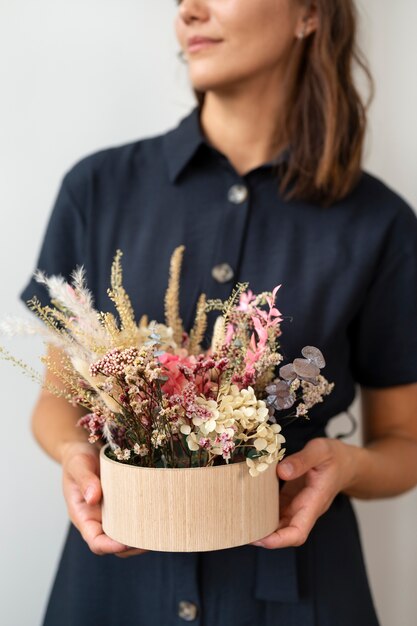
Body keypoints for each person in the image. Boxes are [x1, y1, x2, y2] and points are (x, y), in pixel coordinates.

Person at [19, 1, 417, 625]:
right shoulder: (97, 188)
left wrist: (349, 466)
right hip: (118, 590)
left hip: (296, 594)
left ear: (309, 14)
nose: (189, 10)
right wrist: (78, 457)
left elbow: (405, 443)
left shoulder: (379, 224)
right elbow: (55, 402)